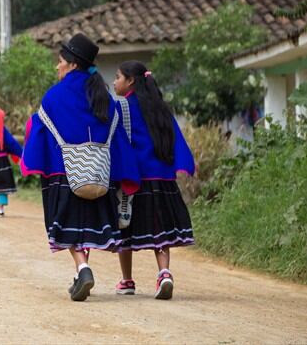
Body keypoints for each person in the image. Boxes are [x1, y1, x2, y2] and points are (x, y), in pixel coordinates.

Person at [21, 33, 140, 302]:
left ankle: (83, 268)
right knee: (86, 226)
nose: (57, 66)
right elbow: (117, 136)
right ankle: (80, 272)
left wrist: (33, 162)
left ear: (73, 64)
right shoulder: (105, 97)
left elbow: (39, 130)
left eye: (60, 61)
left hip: (65, 173)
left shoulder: (54, 96)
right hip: (98, 174)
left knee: (68, 226)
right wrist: (124, 173)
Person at [112, 61, 196, 300]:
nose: (114, 81)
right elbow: (175, 137)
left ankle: (127, 280)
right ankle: (164, 273)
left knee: (124, 227)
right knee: (160, 230)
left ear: (130, 81)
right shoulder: (160, 108)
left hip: (134, 177)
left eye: (117, 76)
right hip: (162, 177)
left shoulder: (121, 108)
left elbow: (115, 142)